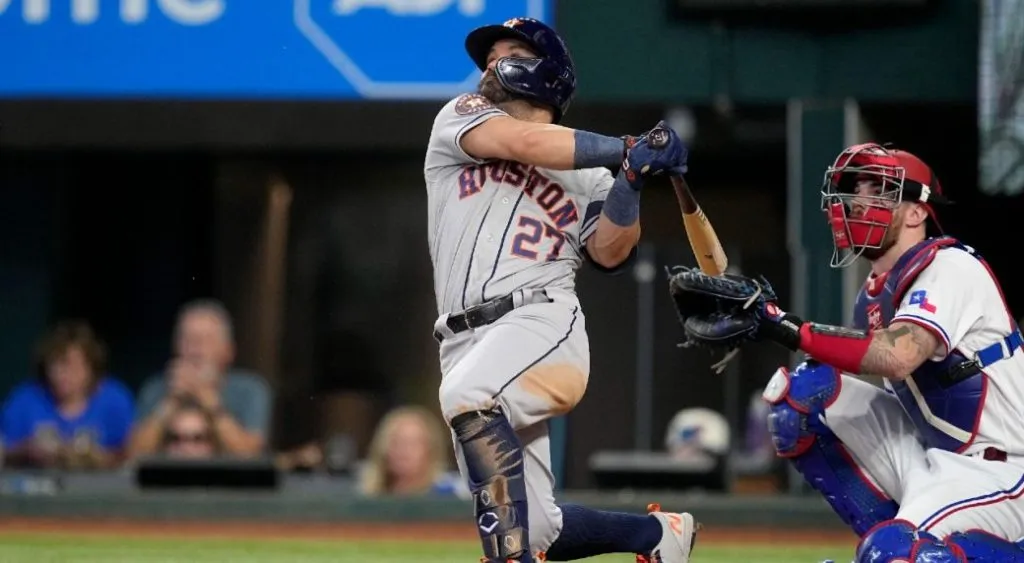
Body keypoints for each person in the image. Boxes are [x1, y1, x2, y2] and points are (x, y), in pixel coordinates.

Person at [424, 16, 697, 563]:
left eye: (510, 52)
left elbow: (611, 252)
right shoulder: (461, 116)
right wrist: (628, 147)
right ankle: (656, 536)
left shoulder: (592, 176)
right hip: (460, 340)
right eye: (490, 55)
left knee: (468, 398)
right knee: (539, 527)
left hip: (540, 321)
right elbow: (526, 141)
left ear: (546, 73)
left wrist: (633, 177)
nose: (491, 65)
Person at [750, 143, 1024, 561]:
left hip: (1001, 469)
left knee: (898, 552)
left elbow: (900, 354)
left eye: (878, 189)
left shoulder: (949, 265)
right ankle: (894, 543)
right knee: (801, 394)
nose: (859, 200)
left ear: (916, 212)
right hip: (937, 455)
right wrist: (758, 324)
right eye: (857, 187)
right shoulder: (874, 295)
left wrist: (785, 326)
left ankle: (911, 550)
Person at [129, 299, 272, 459]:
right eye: (188, 339)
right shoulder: (155, 388)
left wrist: (209, 400)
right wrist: (170, 402)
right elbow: (134, 455)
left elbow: (250, 456)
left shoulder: (250, 390)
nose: (195, 349)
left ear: (228, 351)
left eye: (206, 340)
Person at [1, 320, 134, 470]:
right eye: (55, 365)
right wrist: (26, 450)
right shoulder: (25, 399)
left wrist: (96, 457)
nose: (61, 374)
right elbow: (5, 450)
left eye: (71, 365)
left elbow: (131, 453)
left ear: (90, 368)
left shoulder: (115, 400)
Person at [357, 405, 466, 498]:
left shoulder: (452, 494)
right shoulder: (367, 495)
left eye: (413, 443)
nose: (403, 451)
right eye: (396, 442)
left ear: (430, 450)